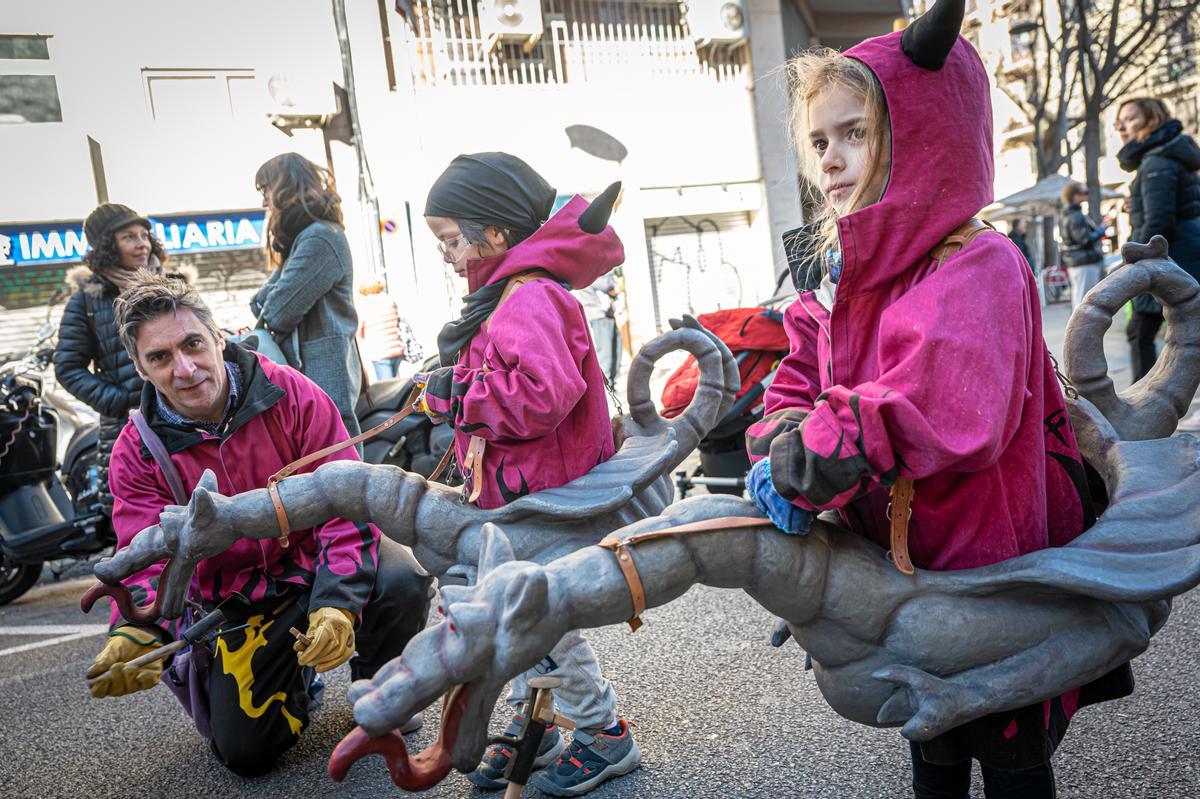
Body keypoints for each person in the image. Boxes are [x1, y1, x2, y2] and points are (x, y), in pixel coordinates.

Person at [744, 3, 1122, 796]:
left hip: (987, 560)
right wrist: (782, 431)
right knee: (930, 737)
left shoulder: (976, 262)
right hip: (896, 564)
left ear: (922, 132)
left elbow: (945, 411)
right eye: (820, 141)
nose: (833, 160)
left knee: (1007, 741)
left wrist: (816, 453)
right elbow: (796, 378)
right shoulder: (844, 274)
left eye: (855, 133)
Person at [86, 274, 431, 777]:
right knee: (246, 755)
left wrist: (337, 604)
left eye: (193, 344)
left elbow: (348, 504)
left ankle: (382, 693)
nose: (185, 369)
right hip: (239, 600)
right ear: (141, 367)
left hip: (317, 565)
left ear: (218, 337)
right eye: (160, 358)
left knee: (401, 576)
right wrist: (137, 631)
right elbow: (144, 556)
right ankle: (298, 682)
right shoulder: (135, 452)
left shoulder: (292, 395)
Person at [418, 152, 640, 796]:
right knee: (508, 613)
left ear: (498, 235)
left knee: (533, 619)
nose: (448, 253)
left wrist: (453, 395)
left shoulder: (529, 298)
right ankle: (531, 721)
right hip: (515, 495)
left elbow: (541, 396)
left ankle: (603, 731)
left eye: (452, 239)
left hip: (546, 501)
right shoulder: (508, 295)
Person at [54, 203, 181, 515]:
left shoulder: (175, 287)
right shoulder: (87, 300)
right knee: (143, 516)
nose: (142, 244)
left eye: (144, 235)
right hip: (131, 426)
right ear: (108, 246)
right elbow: (68, 367)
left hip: (186, 415)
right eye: (129, 237)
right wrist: (121, 401)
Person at [250, 152, 364, 437]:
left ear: (286, 185)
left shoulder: (319, 237)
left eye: (266, 191)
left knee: (337, 455)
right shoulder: (305, 237)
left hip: (324, 367)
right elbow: (261, 303)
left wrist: (268, 298)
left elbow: (277, 312)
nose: (264, 202)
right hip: (316, 366)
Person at [1115, 97, 1200, 397]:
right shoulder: (1164, 156)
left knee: (1141, 332)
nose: (1121, 127)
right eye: (1119, 121)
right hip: (1182, 254)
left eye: (1130, 118)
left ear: (1151, 120)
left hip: (1172, 259)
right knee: (1157, 331)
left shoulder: (1157, 161)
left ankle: (1143, 403)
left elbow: (1159, 221)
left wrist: (1132, 259)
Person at [356, 278, 424, 381]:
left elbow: (359, 331)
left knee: (386, 387)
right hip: (397, 349)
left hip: (380, 353)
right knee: (395, 384)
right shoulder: (388, 300)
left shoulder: (365, 306)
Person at [1057, 180, 1107, 309]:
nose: (1087, 195)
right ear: (1075, 196)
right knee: (1085, 302)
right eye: (1085, 192)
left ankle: (1079, 328)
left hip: (1078, 262)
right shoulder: (1075, 215)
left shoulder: (1067, 214)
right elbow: (1085, 240)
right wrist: (1101, 231)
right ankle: (1079, 329)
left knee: (1081, 300)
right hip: (1084, 262)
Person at [572, 271, 622, 384]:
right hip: (599, 316)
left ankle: (611, 382)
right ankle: (606, 386)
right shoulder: (590, 273)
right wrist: (612, 275)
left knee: (616, 349)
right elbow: (606, 285)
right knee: (606, 352)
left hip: (606, 315)